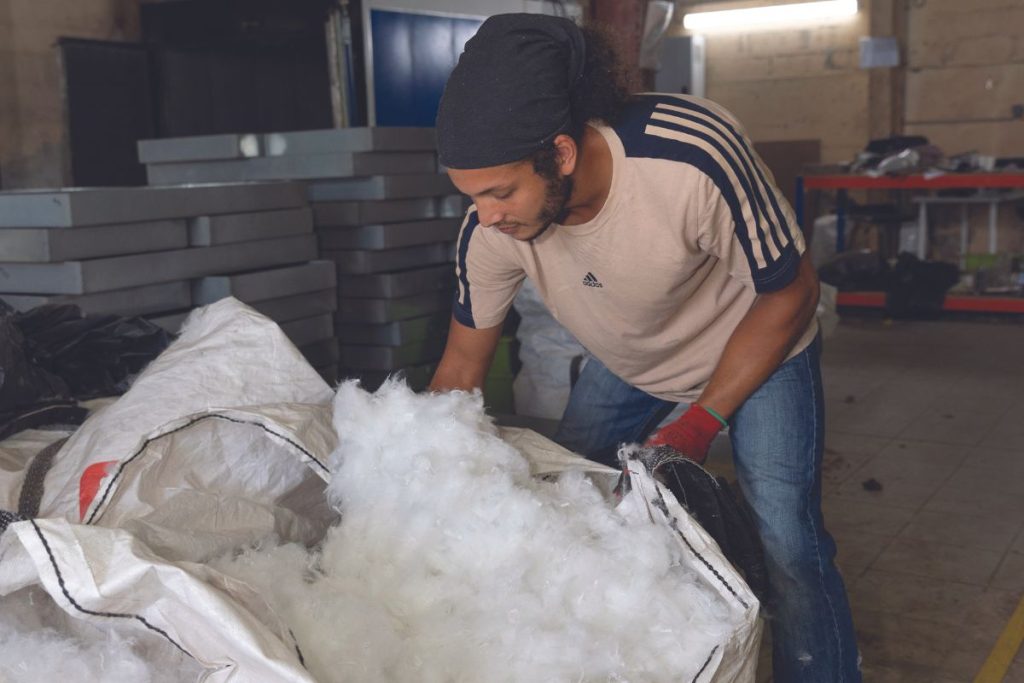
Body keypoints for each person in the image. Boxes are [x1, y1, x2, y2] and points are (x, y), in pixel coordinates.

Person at [429, 13, 860, 682]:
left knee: (787, 542)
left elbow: (792, 291)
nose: (488, 215)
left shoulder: (689, 158)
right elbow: (460, 368)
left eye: (501, 191)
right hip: (634, 355)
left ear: (562, 154)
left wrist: (700, 420)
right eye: (472, 196)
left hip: (757, 340)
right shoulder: (490, 229)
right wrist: (415, 470)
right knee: (573, 497)